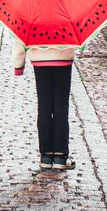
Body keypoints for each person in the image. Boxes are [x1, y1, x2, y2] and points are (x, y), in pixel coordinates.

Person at [13, 40, 76, 171]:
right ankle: (60, 156)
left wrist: (18, 65)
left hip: (39, 58)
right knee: (61, 106)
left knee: (44, 107)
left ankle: (46, 156)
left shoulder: (32, 18)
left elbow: (20, 38)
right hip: (64, 56)